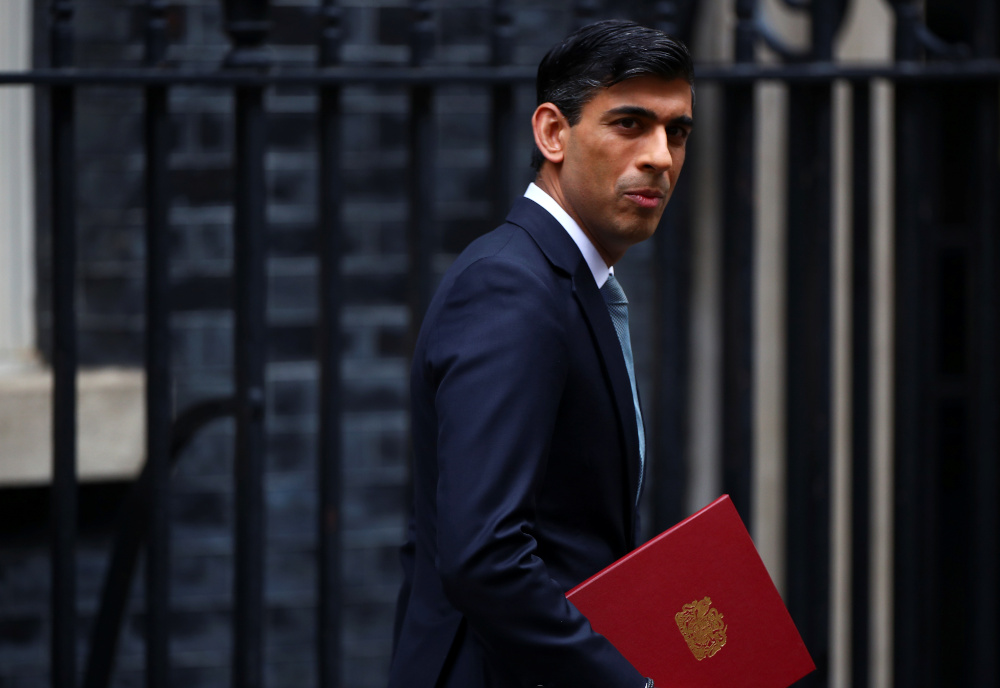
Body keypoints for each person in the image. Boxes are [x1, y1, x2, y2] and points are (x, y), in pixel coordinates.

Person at [387, 19, 695, 688]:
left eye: (676, 131)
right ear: (553, 133)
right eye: (630, 125)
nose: (660, 157)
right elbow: (484, 556)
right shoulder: (513, 287)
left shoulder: (559, 280)